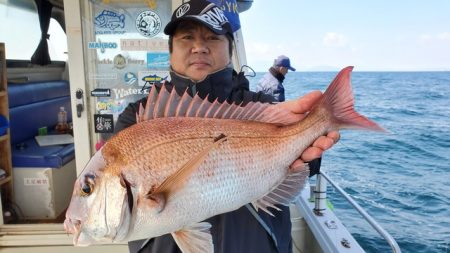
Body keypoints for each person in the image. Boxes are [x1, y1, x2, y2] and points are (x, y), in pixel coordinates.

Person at [114, 1, 339, 252]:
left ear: (230, 49)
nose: (199, 47)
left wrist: (311, 144)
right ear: (170, 52)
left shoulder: (261, 108)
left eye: (212, 37)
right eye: (187, 37)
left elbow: (304, 166)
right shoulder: (137, 118)